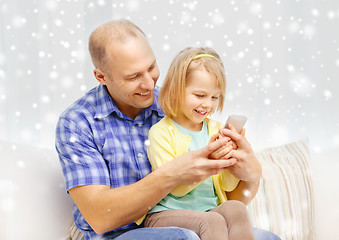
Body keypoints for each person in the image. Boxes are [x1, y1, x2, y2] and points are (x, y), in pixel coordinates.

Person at [55, 19, 281, 240]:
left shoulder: (177, 104)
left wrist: (249, 176)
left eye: (151, 67)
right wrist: (174, 174)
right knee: (184, 237)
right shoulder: (77, 123)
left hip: (196, 222)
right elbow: (100, 218)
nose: (149, 84)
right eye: (133, 76)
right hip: (119, 235)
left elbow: (220, 203)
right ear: (101, 77)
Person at [143, 47, 254, 240]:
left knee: (236, 208)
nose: (208, 104)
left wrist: (230, 163)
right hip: (164, 213)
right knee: (212, 220)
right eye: (200, 96)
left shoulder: (215, 129)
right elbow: (174, 187)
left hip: (209, 210)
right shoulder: (161, 133)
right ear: (176, 91)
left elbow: (226, 187)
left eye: (214, 97)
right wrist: (209, 163)